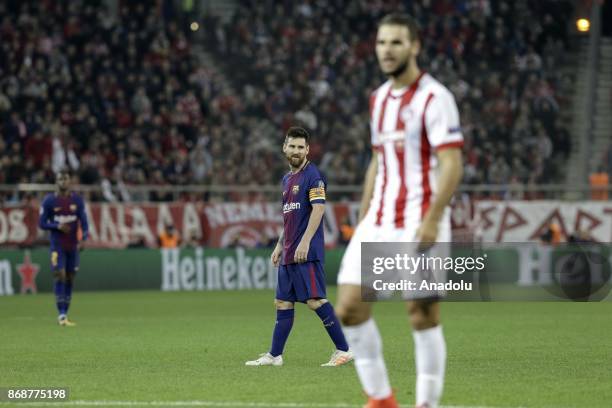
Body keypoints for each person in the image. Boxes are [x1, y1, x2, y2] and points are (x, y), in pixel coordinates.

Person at [335, 14, 464, 408]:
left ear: (414, 47)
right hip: (379, 219)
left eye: (395, 43)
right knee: (350, 308)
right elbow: (378, 161)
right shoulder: (377, 99)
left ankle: (426, 403)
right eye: (381, 43)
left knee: (420, 313)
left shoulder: (434, 97)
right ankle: (381, 398)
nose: (386, 51)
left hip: (419, 218)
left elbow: (452, 164)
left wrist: (432, 220)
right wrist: (363, 214)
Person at [245, 126, 353, 367]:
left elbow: (319, 209)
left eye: (300, 147)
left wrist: (304, 242)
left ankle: (344, 349)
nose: (295, 151)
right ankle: (275, 355)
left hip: (306, 253)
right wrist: (279, 245)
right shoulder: (287, 179)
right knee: (283, 302)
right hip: (289, 252)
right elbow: (290, 217)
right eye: (291, 146)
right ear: (285, 148)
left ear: (307, 150)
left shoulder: (313, 176)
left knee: (315, 301)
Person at [39, 170, 89, 327]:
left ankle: (65, 313)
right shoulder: (48, 201)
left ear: (70, 181)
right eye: (60, 179)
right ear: (56, 181)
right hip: (57, 246)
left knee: (70, 277)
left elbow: (84, 222)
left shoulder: (77, 201)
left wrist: (84, 239)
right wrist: (57, 225)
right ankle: (61, 314)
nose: (63, 182)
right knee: (59, 274)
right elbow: (41, 223)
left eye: (65, 179)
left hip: (73, 246)